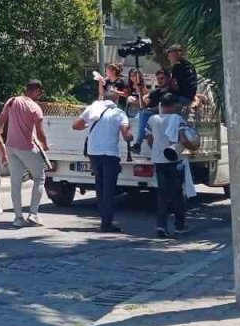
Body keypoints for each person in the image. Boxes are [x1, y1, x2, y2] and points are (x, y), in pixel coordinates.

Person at [73, 88, 132, 232]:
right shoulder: (119, 113)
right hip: (110, 154)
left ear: (103, 98)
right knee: (109, 188)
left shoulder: (92, 108)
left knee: (99, 186)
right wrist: (130, 135)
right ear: (116, 100)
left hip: (94, 153)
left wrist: (89, 124)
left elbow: (76, 126)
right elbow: (126, 135)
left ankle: (103, 216)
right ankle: (106, 222)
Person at [145, 93, 198, 238]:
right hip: (175, 160)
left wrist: (158, 150)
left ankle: (161, 225)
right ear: (174, 105)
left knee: (162, 193)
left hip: (158, 159)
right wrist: (193, 147)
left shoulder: (152, 119)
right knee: (176, 194)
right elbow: (183, 139)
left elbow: (149, 140)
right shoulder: (177, 119)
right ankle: (179, 225)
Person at [0, 80, 50, 227]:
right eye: (39, 92)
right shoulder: (35, 108)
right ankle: (33, 214)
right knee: (39, 177)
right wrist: (45, 145)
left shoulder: (12, 101)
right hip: (27, 147)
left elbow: (1, 121)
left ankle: (18, 217)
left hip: (11, 146)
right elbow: (40, 133)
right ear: (36, 91)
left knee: (15, 182)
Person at [131, 69, 170, 155]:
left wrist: (150, 110)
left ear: (168, 78)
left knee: (144, 113)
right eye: (158, 79)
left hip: (165, 118)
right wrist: (140, 92)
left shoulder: (171, 92)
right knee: (142, 113)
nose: (159, 81)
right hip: (152, 119)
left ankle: (138, 144)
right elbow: (144, 106)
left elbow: (163, 106)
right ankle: (140, 145)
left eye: (162, 78)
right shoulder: (154, 93)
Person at [166, 44, 199, 109]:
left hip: (182, 98)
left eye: (169, 55)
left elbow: (174, 85)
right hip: (190, 97)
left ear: (175, 54)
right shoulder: (190, 65)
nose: (168, 58)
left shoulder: (177, 67)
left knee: (164, 99)